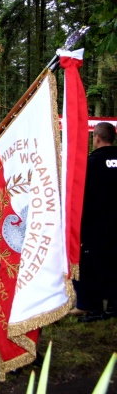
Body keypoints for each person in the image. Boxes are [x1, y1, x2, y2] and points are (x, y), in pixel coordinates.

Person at [78, 122, 117, 322]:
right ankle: (112, 305)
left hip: (97, 225)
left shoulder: (91, 163)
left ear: (97, 138)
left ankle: (95, 309)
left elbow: (82, 196)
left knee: (92, 266)